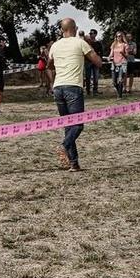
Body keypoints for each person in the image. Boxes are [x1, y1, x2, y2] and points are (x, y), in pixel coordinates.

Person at [47, 17, 101, 171]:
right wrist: (87, 54)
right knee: (78, 124)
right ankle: (64, 146)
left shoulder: (55, 46)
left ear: (62, 30)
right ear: (74, 28)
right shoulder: (80, 42)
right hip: (73, 87)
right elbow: (98, 62)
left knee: (68, 126)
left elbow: (49, 65)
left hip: (58, 88)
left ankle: (74, 164)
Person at [108, 32, 131, 96]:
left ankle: (119, 95)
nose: (118, 37)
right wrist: (109, 57)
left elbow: (127, 56)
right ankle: (119, 91)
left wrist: (122, 53)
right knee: (114, 82)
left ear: (122, 37)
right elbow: (111, 53)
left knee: (120, 79)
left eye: (120, 36)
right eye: (117, 36)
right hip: (114, 64)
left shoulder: (125, 45)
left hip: (122, 63)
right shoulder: (113, 44)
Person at [84, 29, 103, 96]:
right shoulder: (87, 43)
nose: (91, 35)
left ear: (95, 34)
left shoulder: (98, 43)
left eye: (92, 33)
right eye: (90, 33)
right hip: (88, 61)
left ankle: (95, 90)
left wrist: (100, 60)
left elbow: (101, 53)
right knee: (88, 77)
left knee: (96, 77)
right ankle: (88, 91)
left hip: (96, 62)